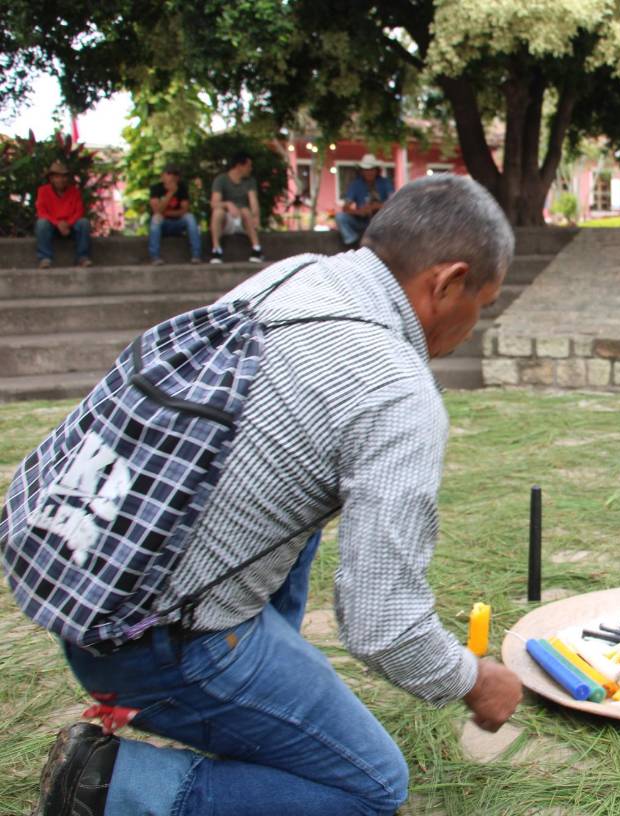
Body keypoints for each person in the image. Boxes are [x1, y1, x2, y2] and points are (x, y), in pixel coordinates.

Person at [24, 175, 523, 816]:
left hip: (87, 588)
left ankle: (256, 703)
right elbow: (383, 624)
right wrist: (474, 679)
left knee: (303, 478)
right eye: (484, 302)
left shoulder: (295, 275)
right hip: (151, 645)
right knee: (370, 788)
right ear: (449, 282)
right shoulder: (397, 392)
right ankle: (111, 785)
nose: (476, 324)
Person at [34, 159, 92, 269]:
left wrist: (67, 224)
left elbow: (79, 212)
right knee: (41, 224)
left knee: (84, 223)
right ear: (51, 179)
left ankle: (82, 257)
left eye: (64, 177)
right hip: (52, 226)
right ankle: (45, 258)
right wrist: (57, 224)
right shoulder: (43, 191)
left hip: (70, 227)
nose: (61, 180)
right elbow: (42, 212)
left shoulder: (74, 191)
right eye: (57, 177)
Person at [210, 152, 263, 264]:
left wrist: (256, 216)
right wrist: (228, 204)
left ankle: (256, 248)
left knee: (245, 211)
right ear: (239, 166)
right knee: (217, 212)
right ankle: (216, 249)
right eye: (248, 166)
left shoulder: (250, 181)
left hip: (244, 220)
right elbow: (214, 203)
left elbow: (253, 201)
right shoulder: (221, 180)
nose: (250, 169)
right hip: (227, 219)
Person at [337, 154, 395, 249]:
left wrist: (376, 206)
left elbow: (393, 203)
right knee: (340, 217)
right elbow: (345, 208)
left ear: (376, 170)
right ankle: (352, 242)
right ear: (362, 171)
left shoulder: (385, 183)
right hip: (362, 222)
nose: (369, 172)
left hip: (381, 223)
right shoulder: (356, 185)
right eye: (366, 170)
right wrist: (359, 212)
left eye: (371, 169)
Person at [148, 164, 202, 264]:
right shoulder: (156, 189)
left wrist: (166, 213)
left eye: (175, 174)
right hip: (163, 225)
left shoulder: (182, 188)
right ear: (162, 176)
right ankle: (155, 257)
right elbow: (157, 210)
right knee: (156, 218)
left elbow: (184, 210)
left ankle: (196, 255)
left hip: (178, 223)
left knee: (190, 217)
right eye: (169, 174)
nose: (172, 177)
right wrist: (171, 193)